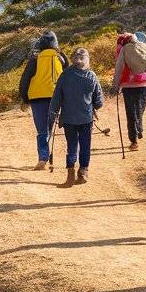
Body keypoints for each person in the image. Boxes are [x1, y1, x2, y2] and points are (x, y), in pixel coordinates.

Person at [47, 47, 104, 187]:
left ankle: (70, 175)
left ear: (73, 59)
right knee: (85, 145)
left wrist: (53, 112)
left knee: (72, 145)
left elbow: (56, 97)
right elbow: (99, 101)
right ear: (86, 60)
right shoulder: (92, 76)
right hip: (86, 118)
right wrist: (93, 106)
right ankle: (83, 171)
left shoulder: (65, 75)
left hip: (69, 119)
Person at [18, 31, 69, 170]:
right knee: (49, 126)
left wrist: (25, 98)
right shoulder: (61, 57)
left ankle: (43, 158)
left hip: (37, 97)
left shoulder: (35, 59)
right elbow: (69, 76)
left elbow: (25, 80)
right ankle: (47, 155)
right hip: (56, 96)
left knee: (42, 129)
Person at [111, 30, 146, 151]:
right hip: (145, 84)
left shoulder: (125, 49)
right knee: (140, 109)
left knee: (131, 112)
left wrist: (116, 86)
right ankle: (139, 129)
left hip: (129, 85)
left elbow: (119, 69)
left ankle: (134, 141)